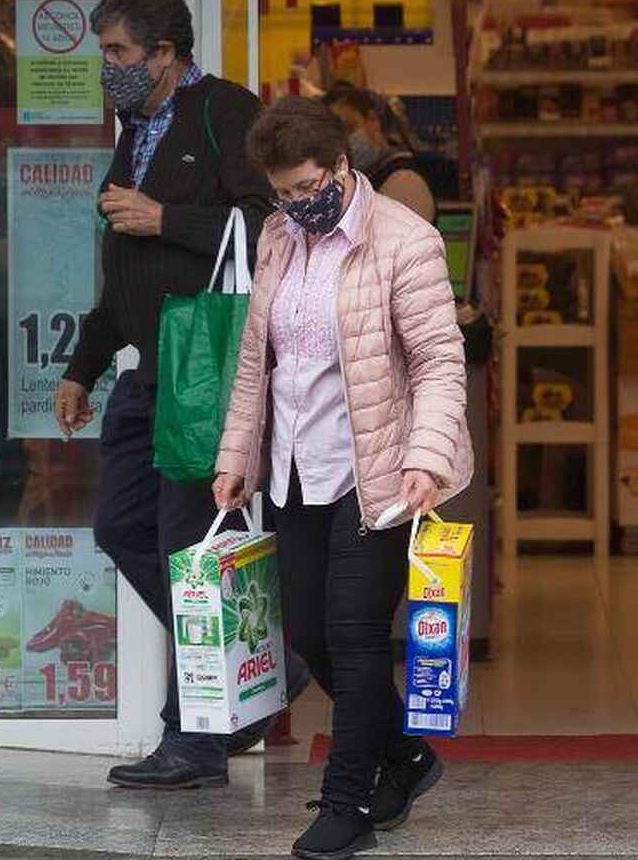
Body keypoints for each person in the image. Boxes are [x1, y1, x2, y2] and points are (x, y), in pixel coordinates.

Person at [51, 0, 304, 790]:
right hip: (146, 372)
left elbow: (273, 224)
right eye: (103, 52)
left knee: (190, 551)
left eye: (119, 52)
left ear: (165, 53)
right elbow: (125, 266)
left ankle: (195, 738)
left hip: (205, 370)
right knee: (121, 527)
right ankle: (264, 658)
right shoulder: (136, 129)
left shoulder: (224, 112)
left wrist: (167, 218)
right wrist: (84, 364)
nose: (108, 67)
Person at [213, 97, 472, 860]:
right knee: (309, 634)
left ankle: (347, 801)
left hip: (380, 470)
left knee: (355, 636)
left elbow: (439, 359)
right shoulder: (277, 237)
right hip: (296, 468)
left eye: (305, 188)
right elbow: (257, 360)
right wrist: (236, 458)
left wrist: (427, 457)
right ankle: (407, 758)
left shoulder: (405, 240)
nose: (295, 204)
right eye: (281, 193)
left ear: (339, 166)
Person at [322, 85, 436, 224]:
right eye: (333, 136)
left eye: (349, 128)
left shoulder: (404, 180)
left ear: (373, 120)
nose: (344, 141)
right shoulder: (364, 178)